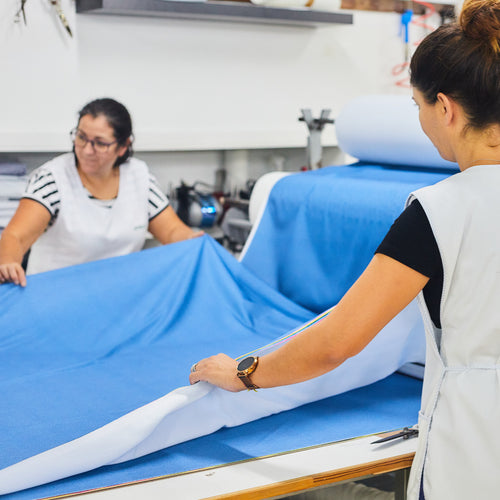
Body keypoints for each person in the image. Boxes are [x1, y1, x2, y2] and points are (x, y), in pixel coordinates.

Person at [189, 1, 500, 499]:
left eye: (418, 106)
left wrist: (244, 373)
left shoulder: (439, 213)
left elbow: (337, 341)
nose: (419, 121)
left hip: (478, 453)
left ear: (446, 108)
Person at [0, 98, 202, 287]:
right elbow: (16, 236)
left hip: (115, 300)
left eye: (100, 143)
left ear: (123, 146)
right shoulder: (52, 179)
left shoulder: (139, 178)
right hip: (55, 297)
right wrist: (8, 263)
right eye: (81, 137)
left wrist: (193, 240)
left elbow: (172, 231)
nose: (87, 150)